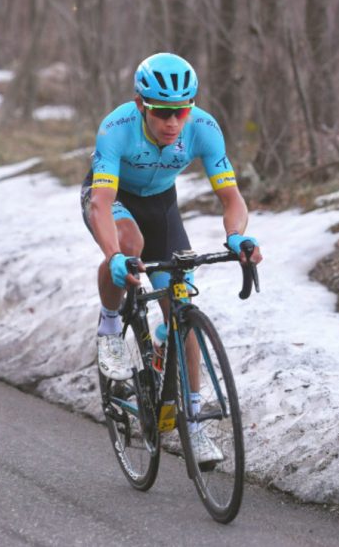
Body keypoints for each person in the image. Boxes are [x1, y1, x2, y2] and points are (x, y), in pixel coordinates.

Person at [81, 52, 262, 465]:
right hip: (113, 202)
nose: (172, 123)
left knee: (181, 308)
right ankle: (110, 329)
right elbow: (101, 202)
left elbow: (231, 197)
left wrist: (237, 236)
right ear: (142, 104)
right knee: (130, 245)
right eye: (163, 112)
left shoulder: (204, 128)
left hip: (162, 205)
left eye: (181, 111)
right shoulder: (117, 129)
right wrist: (113, 257)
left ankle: (193, 424)